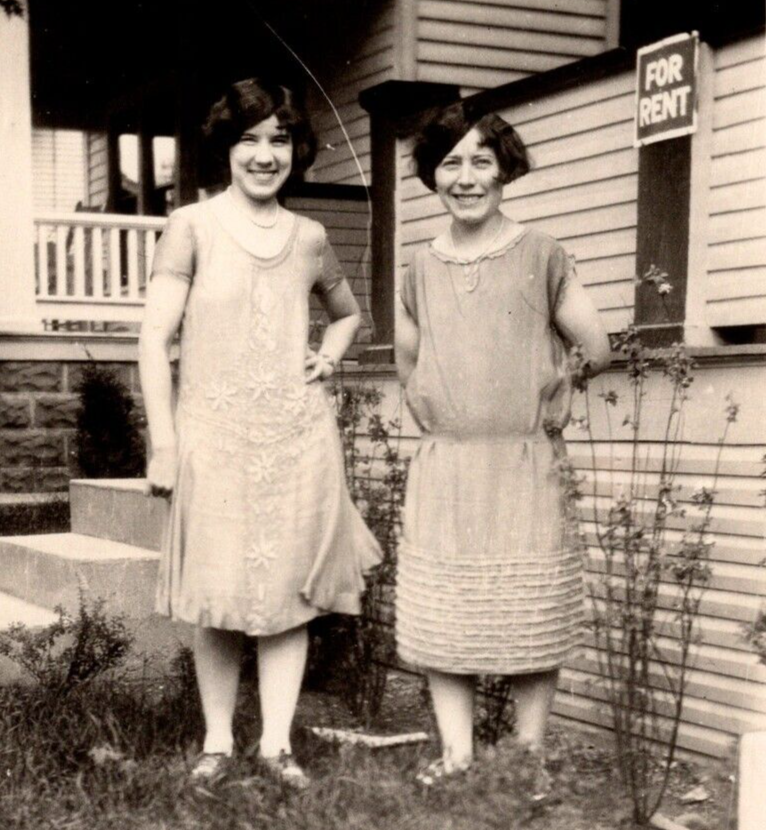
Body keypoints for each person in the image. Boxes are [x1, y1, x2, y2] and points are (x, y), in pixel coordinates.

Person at [138, 78, 381, 790]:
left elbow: (347, 315)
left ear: (297, 150)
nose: (265, 155)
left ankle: (276, 745)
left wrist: (327, 360)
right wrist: (164, 444)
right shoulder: (191, 225)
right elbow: (154, 339)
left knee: (286, 596)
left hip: (295, 438)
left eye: (279, 140)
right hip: (211, 433)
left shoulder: (309, 238)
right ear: (226, 147)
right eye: (249, 139)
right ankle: (217, 741)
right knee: (216, 593)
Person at [394, 103, 611, 782]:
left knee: (532, 612)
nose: (465, 177)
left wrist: (548, 398)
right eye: (450, 162)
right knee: (444, 616)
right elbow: (411, 368)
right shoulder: (418, 271)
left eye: (480, 161)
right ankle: (457, 756)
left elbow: (596, 347)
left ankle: (526, 758)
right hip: (447, 463)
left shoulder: (541, 254)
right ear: (432, 174)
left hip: (524, 460)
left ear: (504, 170)